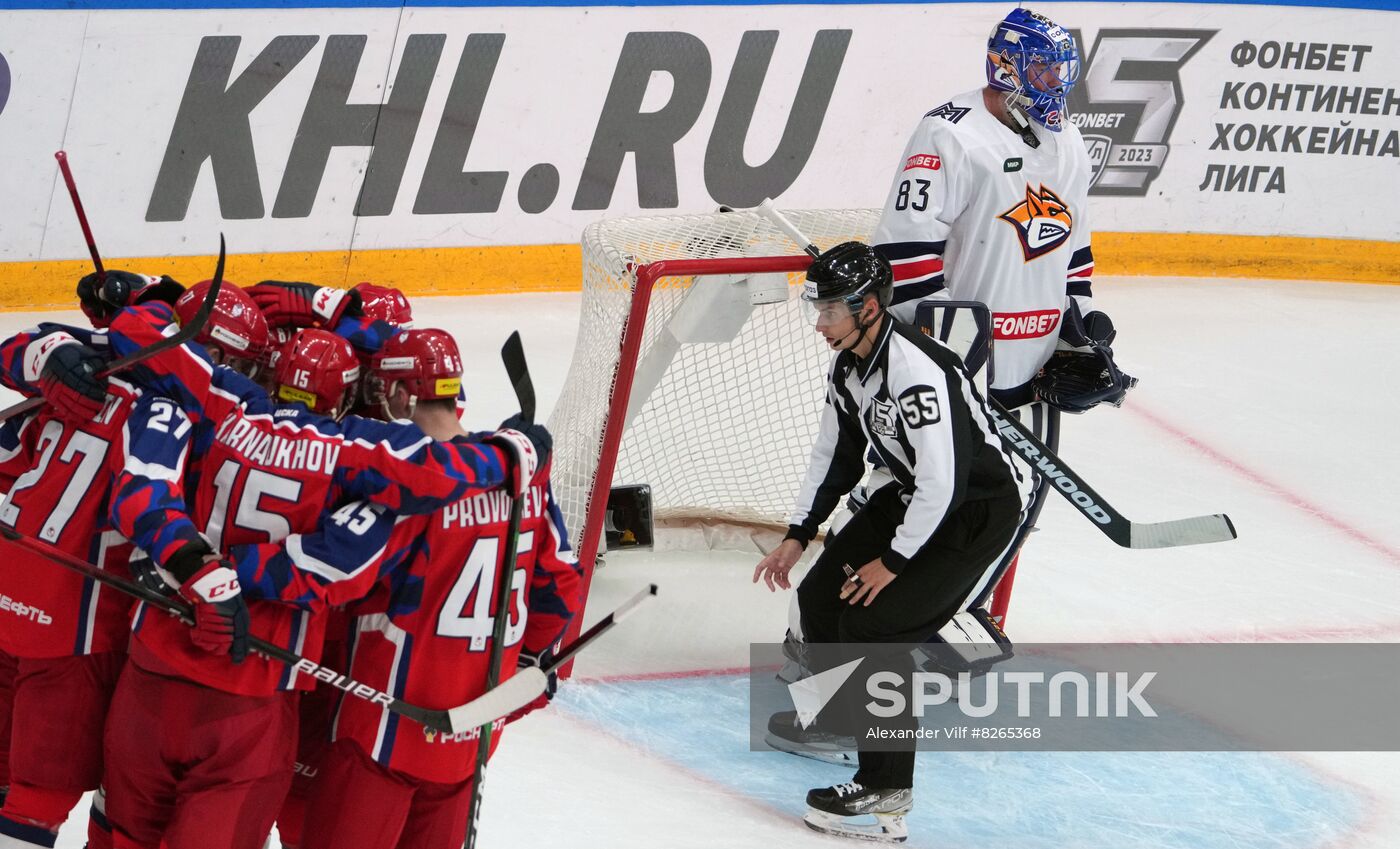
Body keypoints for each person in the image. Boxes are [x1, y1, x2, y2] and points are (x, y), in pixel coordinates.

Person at [219, 329, 581, 849]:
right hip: (469, 740)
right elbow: (559, 588)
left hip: (383, 734)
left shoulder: (412, 489)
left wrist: (225, 566)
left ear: (401, 394)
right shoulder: (525, 481)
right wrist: (524, 664)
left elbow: (330, 570)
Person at [753, 242, 1025, 842]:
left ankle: (886, 793)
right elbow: (838, 454)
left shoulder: (915, 371)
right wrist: (799, 534)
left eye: (831, 311)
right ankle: (839, 722)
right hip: (914, 494)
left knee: (878, 627)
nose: (820, 324)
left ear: (871, 307)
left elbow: (945, 482)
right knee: (823, 596)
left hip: (971, 512)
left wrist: (893, 562)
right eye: (817, 310)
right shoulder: (850, 364)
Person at [869, 6, 1134, 621]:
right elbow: (903, 255)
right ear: (1004, 65)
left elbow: (1075, 250)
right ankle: (860, 621)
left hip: (1032, 368)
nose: (1057, 85)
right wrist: (940, 360)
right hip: (955, 368)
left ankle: (955, 614)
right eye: (1042, 70)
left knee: (1012, 509)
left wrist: (1081, 328)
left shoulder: (1067, 140)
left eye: (1062, 70)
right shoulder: (948, 135)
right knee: (919, 496)